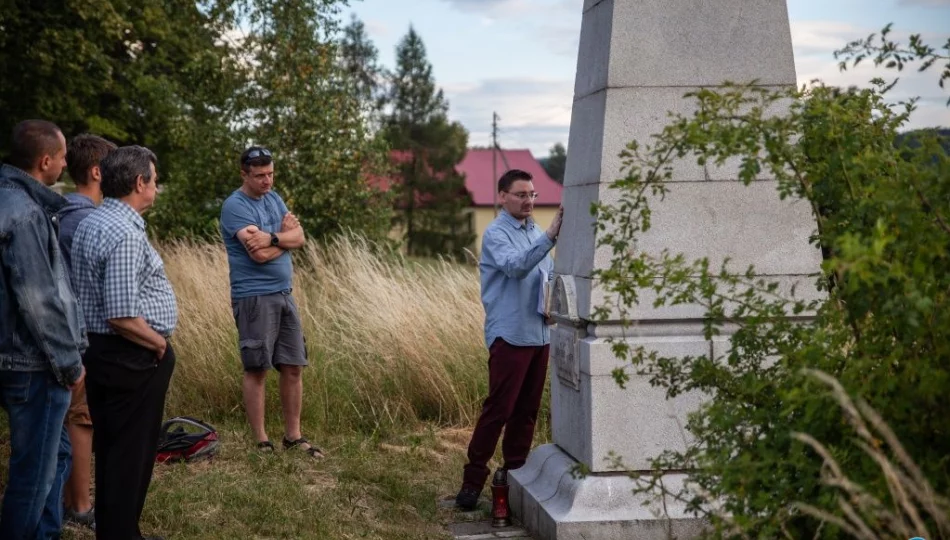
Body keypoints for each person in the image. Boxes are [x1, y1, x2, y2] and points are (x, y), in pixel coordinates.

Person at [70, 145, 176, 540]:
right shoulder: (122, 232)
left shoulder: (93, 221)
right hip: (129, 355)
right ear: (139, 183)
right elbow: (121, 314)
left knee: (114, 449)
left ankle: (118, 530)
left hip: (103, 353)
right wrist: (159, 344)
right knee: (130, 453)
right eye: (154, 179)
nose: (156, 187)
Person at [455, 168, 563, 510]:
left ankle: (514, 475)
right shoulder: (496, 233)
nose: (529, 201)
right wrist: (549, 238)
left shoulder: (535, 231)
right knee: (499, 409)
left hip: (540, 333)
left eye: (532, 195)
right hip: (511, 335)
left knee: (527, 411)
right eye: (521, 194)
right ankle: (472, 482)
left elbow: (546, 275)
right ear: (502, 196)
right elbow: (516, 267)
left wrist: (553, 305)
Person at [0, 119, 86, 539]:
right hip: (32, 363)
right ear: (45, 160)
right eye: (64, 156)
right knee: (32, 478)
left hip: (19, 357)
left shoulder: (10, 200)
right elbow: (37, 300)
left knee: (56, 456)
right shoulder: (25, 213)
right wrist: (70, 363)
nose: (68, 163)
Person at [219, 146, 322, 458]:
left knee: (293, 365)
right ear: (244, 174)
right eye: (260, 175)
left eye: (271, 174)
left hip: (284, 293)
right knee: (257, 367)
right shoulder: (235, 206)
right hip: (254, 296)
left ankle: (293, 436)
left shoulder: (273, 198)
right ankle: (262, 441)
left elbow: (300, 237)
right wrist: (284, 238)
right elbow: (259, 254)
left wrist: (275, 237)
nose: (267, 181)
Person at [58, 134, 117, 530]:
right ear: (97, 172)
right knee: (82, 417)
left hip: (57, 333)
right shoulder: (85, 220)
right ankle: (80, 506)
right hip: (76, 334)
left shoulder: (60, 210)